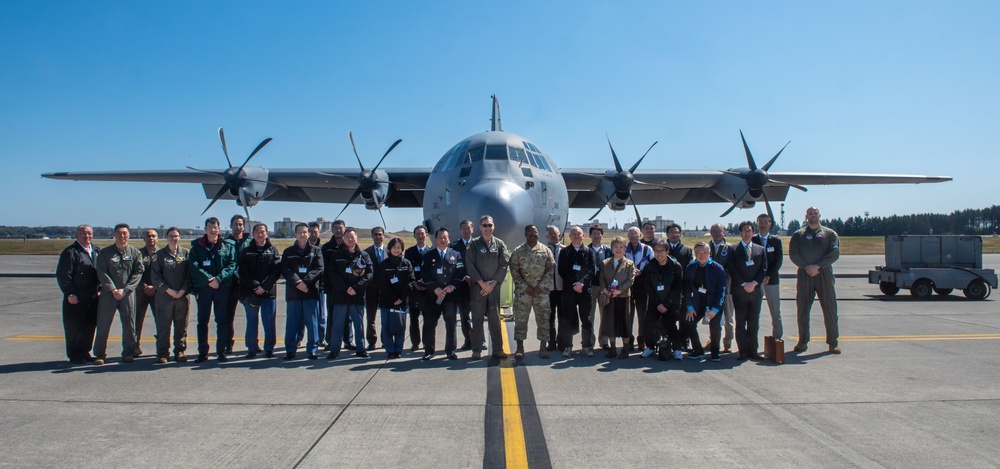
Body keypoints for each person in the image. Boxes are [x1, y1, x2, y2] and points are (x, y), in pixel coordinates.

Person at [789, 206, 841, 354]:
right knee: (803, 309)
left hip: (824, 274)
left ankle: (833, 342)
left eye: (815, 213)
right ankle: (803, 341)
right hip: (805, 274)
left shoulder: (829, 234)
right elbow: (794, 254)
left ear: (819, 215)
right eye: (810, 213)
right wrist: (807, 267)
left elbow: (834, 253)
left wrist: (818, 266)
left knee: (830, 308)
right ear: (806, 216)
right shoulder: (798, 235)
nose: (813, 215)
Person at [93, 223, 144, 364]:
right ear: (114, 234)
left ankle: (128, 352)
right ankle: (99, 354)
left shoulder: (135, 253)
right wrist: (112, 289)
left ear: (129, 235)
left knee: (129, 324)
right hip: (109, 294)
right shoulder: (105, 253)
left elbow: (138, 271)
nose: (122, 236)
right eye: (119, 233)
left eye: (125, 233)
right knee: (103, 324)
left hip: (127, 294)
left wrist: (126, 289)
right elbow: (101, 271)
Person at [189, 217, 238, 363]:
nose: (212, 229)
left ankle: (221, 351)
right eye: (209, 226)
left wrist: (219, 279)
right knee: (202, 321)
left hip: (222, 288)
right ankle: (202, 352)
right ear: (205, 229)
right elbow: (194, 266)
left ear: (218, 228)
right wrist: (209, 279)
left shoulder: (227, 246)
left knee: (222, 320)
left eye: (214, 226)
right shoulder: (197, 247)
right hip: (204, 289)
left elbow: (232, 264)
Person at [465, 215, 510, 360]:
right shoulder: (473, 245)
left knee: (495, 319)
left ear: (493, 226)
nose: (487, 228)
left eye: (490, 225)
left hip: (493, 289)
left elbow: (504, 264)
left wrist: (494, 283)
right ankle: (476, 349)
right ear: (479, 227)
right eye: (484, 225)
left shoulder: (499, 244)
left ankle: (498, 349)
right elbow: (470, 265)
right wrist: (481, 283)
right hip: (478, 289)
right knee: (477, 320)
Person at [509, 225, 555, 359]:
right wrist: (525, 287)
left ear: (538, 234)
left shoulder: (546, 251)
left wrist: (540, 287)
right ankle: (520, 347)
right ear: (525, 234)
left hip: (541, 293)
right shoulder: (518, 251)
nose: (532, 234)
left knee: (543, 319)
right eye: (529, 232)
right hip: (523, 293)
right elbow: (514, 271)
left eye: (534, 232)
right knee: (520, 320)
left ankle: (543, 347)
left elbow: (550, 270)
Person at [56, 224, 100, 364]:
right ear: (76, 235)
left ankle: (85, 351)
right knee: (74, 326)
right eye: (83, 233)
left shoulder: (97, 251)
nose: (87, 236)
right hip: (76, 296)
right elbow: (64, 274)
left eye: (89, 233)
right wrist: (69, 293)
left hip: (93, 296)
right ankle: (74, 354)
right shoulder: (70, 252)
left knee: (89, 325)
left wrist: (100, 289)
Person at [327, 227, 372, 359]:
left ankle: (361, 349)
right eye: (347, 237)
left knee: (358, 325)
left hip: (357, 296)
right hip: (341, 296)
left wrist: (356, 288)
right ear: (343, 239)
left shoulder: (363, 256)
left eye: (353, 237)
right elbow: (332, 275)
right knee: (338, 324)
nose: (350, 239)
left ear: (357, 239)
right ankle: (334, 350)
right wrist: (346, 288)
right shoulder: (337, 256)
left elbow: (369, 274)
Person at [421, 227, 465, 361]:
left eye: (445, 237)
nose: (443, 239)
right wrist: (434, 288)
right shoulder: (429, 255)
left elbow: (460, 272)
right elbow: (425, 274)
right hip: (433, 296)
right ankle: (429, 351)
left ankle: (450, 350)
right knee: (429, 324)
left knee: (451, 324)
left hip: (449, 296)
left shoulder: (456, 255)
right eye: (440, 237)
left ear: (449, 239)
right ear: (435, 239)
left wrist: (453, 286)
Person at [282, 223, 324, 360]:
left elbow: (319, 268)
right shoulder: (288, 252)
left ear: (309, 234)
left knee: (312, 323)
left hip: (309, 291)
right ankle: (290, 349)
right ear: (295, 235)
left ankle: (312, 349)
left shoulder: (316, 250)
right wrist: (297, 282)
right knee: (292, 323)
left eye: (305, 232)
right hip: (294, 292)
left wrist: (305, 282)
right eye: (299, 232)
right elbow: (286, 270)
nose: (302, 234)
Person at [239, 223, 282, 359]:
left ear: (267, 233)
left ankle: (269, 348)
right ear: (253, 234)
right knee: (251, 321)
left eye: (262, 232)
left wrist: (264, 286)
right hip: (251, 292)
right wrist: (256, 286)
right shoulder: (246, 251)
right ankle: (252, 348)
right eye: (257, 232)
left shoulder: (273, 250)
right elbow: (243, 271)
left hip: (268, 292)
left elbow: (276, 271)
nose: (260, 234)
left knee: (269, 321)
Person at [150, 227, 191, 363]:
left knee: (181, 326)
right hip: (164, 297)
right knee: (163, 326)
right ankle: (163, 353)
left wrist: (182, 291)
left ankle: (179, 351)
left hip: (182, 296)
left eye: (176, 236)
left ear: (179, 237)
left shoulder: (186, 254)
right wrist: (168, 290)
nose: (174, 238)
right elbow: (155, 277)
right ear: (166, 237)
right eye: (171, 236)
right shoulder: (159, 255)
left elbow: (189, 275)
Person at [681, 242, 728, 362]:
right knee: (689, 322)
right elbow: (686, 288)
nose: (702, 255)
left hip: (714, 303)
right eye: (699, 253)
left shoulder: (717, 268)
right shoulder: (691, 267)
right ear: (695, 254)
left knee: (715, 327)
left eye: (705, 253)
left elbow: (722, 290)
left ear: (709, 253)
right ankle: (698, 350)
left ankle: (715, 351)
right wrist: (690, 307)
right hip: (698, 303)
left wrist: (716, 309)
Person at [728, 221, 767, 360]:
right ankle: (742, 351)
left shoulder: (760, 249)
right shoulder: (733, 249)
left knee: (754, 322)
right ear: (740, 232)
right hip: (740, 292)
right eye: (744, 230)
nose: (747, 233)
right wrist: (744, 284)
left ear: (753, 232)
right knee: (740, 322)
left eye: (750, 230)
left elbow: (763, 269)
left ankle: (753, 350)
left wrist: (755, 283)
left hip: (756, 292)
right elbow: (731, 269)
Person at [641, 239, 684, 361]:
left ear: (667, 251)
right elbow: (649, 287)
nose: (659, 254)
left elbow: (678, 287)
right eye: (656, 251)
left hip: (671, 303)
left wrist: (666, 304)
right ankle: (650, 346)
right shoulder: (650, 266)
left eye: (662, 251)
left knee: (670, 325)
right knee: (649, 322)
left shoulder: (676, 266)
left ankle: (677, 349)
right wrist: (658, 303)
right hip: (655, 302)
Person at [558, 226, 595, 357]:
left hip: (584, 292)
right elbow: (562, 270)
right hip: (569, 291)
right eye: (573, 234)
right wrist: (574, 284)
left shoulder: (589, 251)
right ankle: (567, 346)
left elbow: (592, 269)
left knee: (586, 319)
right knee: (567, 318)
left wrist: (582, 283)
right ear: (569, 236)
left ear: (583, 235)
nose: (576, 236)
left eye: (578, 234)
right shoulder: (565, 252)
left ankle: (587, 346)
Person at [376, 237, 415, 359]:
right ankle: (390, 349)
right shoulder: (384, 265)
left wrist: (401, 298)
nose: (396, 250)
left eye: (399, 247)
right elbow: (383, 284)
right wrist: (393, 298)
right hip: (387, 301)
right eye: (394, 247)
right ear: (389, 249)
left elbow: (411, 281)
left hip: (402, 302)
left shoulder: (406, 263)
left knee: (400, 326)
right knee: (386, 326)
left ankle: (398, 349)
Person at [599, 236, 635, 359]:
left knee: (625, 322)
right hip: (610, 297)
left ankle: (625, 348)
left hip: (623, 297)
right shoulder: (605, 263)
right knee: (610, 323)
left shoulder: (629, 264)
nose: (618, 249)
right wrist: (605, 289)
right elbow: (602, 278)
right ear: (612, 248)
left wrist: (619, 291)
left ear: (625, 249)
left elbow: (630, 280)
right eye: (616, 247)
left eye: (621, 247)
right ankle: (612, 348)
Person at [321, 219, 352, 351]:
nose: (338, 230)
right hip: (332, 288)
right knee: (333, 315)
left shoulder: (350, 246)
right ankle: (331, 341)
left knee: (348, 316)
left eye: (341, 228)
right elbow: (325, 269)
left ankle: (348, 340)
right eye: (336, 228)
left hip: (348, 288)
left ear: (344, 229)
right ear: (332, 230)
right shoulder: (326, 248)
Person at [752, 213, 784, 340]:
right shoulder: (752, 240)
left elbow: (778, 261)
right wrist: (759, 277)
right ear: (757, 223)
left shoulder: (775, 241)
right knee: (754, 312)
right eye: (761, 222)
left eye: (766, 222)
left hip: (772, 281)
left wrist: (768, 276)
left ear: (770, 224)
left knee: (775, 312)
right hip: (755, 281)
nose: (763, 224)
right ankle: (753, 340)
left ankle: (777, 338)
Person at [224, 214, 252, 355]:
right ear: (231, 226)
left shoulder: (249, 242)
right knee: (228, 316)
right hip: (230, 284)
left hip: (246, 283)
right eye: (236, 224)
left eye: (241, 224)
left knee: (252, 315)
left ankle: (252, 343)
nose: (238, 227)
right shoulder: (225, 242)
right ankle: (228, 343)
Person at [403, 225, 432, 352]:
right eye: (418, 234)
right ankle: (415, 343)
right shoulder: (409, 252)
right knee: (414, 319)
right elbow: (407, 271)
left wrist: (427, 284)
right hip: (414, 290)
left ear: (426, 235)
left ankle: (426, 342)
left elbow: (433, 271)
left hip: (427, 290)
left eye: (422, 233)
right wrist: (414, 283)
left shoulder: (431, 252)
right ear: (414, 236)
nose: (420, 236)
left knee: (427, 319)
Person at [625, 227, 653, 350]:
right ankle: (628, 340)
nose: (633, 235)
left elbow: (653, 266)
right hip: (628, 285)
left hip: (642, 285)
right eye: (630, 233)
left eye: (635, 233)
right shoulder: (624, 249)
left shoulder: (647, 249)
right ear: (627, 235)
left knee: (643, 315)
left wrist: (642, 273)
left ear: (640, 234)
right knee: (628, 315)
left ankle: (642, 340)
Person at [709, 223, 736, 353]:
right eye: (714, 231)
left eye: (719, 231)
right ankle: (713, 341)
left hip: (727, 285)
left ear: (724, 232)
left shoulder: (730, 248)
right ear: (710, 232)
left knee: (728, 315)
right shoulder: (707, 247)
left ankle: (728, 342)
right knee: (712, 316)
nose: (717, 233)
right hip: (711, 286)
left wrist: (721, 274)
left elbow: (733, 267)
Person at [451, 220, 476, 350]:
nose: (466, 231)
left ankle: (479, 340)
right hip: (462, 286)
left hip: (477, 285)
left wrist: (475, 278)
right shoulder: (454, 246)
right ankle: (468, 341)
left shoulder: (478, 244)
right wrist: (465, 276)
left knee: (477, 314)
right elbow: (455, 264)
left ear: (472, 229)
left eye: (468, 228)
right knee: (464, 315)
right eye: (463, 229)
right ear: (460, 230)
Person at [134, 228, 159, 357]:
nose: (151, 238)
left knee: (161, 321)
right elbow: (133, 273)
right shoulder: (137, 254)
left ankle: (161, 347)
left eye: (153, 236)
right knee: (137, 321)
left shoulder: (162, 254)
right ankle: (135, 346)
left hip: (158, 292)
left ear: (157, 238)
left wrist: (155, 287)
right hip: (140, 292)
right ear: (143, 238)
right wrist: (144, 286)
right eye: (148, 236)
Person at [587, 225, 613, 350]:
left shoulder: (608, 251)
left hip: (604, 287)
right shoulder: (586, 250)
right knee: (589, 315)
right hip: (591, 287)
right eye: (594, 233)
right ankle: (589, 341)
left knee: (605, 315)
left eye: (599, 233)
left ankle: (604, 341)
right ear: (590, 236)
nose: (596, 236)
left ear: (602, 235)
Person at [363, 226, 388, 350]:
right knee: (371, 317)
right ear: (372, 236)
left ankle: (385, 340)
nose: (378, 237)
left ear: (383, 236)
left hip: (385, 290)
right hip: (371, 289)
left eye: (380, 234)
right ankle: (371, 341)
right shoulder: (366, 253)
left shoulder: (389, 251)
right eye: (375, 235)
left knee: (385, 316)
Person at [308, 221, 328, 349]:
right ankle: (300, 338)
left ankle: (321, 338)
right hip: (305, 285)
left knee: (322, 314)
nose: (313, 234)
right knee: (304, 315)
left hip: (320, 285)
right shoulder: (301, 246)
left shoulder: (323, 248)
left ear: (319, 232)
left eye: (315, 231)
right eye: (311, 231)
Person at [545, 225, 564, 351]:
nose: (553, 236)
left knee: (562, 316)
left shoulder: (565, 250)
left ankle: (562, 340)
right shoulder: (543, 250)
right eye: (550, 234)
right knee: (549, 317)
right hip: (548, 290)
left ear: (559, 235)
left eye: (555, 233)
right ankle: (551, 341)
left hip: (562, 289)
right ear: (547, 236)